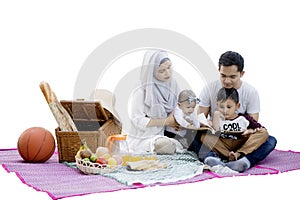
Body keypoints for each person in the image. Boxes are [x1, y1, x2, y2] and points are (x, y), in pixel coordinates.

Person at [196, 50, 277, 172]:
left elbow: (252, 123)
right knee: (195, 135)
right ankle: (212, 158)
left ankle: (243, 159)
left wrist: (249, 131)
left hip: (240, 140)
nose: (227, 81)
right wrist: (208, 124)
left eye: (232, 77)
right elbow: (200, 118)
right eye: (223, 75)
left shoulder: (250, 92)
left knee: (270, 140)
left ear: (242, 73)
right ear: (219, 71)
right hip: (218, 139)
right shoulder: (209, 89)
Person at [127, 50, 184, 155]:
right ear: (151, 71)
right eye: (162, 71)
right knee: (162, 145)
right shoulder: (141, 89)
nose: (168, 73)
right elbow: (138, 120)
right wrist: (166, 121)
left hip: (167, 131)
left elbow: (177, 105)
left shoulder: (173, 84)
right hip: (145, 136)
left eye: (169, 67)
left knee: (193, 137)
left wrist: (175, 119)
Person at [202, 87, 268, 170]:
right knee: (203, 135)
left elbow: (259, 129)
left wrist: (249, 131)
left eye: (229, 107)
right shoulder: (217, 118)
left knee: (264, 133)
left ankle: (238, 154)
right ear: (217, 105)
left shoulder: (243, 118)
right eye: (221, 107)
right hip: (223, 145)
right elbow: (215, 131)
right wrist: (215, 115)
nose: (225, 111)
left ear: (237, 106)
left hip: (240, 143)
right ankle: (229, 156)